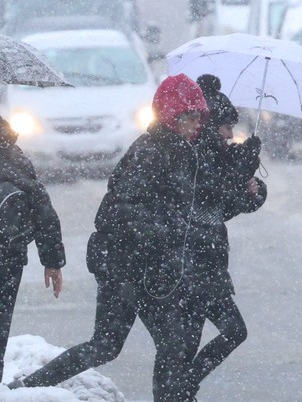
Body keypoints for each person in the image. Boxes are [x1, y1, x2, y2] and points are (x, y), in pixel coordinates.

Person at [11, 74, 210, 401]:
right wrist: (166, 228)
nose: (195, 125)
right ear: (172, 118)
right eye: (188, 118)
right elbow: (116, 211)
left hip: (149, 267)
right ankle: (26, 390)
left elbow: (183, 207)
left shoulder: (181, 152)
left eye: (198, 118)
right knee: (106, 345)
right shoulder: (151, 152)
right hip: (123, 265)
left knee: (173, 344)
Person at [179, 75, 266, 398]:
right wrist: (240, 172)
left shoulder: (216, 155)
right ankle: (181, 387)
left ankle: (182, 388)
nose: (231, 134)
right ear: (210, 125)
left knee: (197, 342)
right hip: (192, 267)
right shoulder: (193, 157)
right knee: (224, 333)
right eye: (226, 127)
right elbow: (205, 200)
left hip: (208, 266)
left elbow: (225, 206)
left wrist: (252, 188)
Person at [0, 116, 65, 382]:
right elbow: (41, 206)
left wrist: (52, 260)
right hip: (9, 255)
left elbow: (39, 205)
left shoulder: (12, 156)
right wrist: (52, 260)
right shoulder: (13, 154)